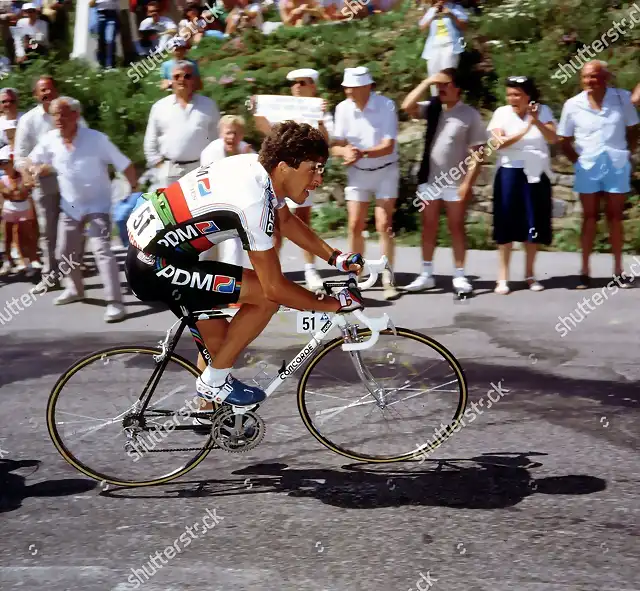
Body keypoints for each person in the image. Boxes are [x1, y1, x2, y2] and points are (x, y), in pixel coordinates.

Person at [124, 121, 365, 407]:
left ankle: (207, 411)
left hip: (164, 252)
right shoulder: (252, 203)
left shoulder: (256, 166)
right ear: (285, 167)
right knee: (263, 298)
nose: (318, 179)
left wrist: (335, 257)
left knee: (224, 345)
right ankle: (213, 384)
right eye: (313, 168)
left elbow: (285, 220)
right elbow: (274, 288)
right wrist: (332, 304)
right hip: (155, 265)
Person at [24, 97, 138, 322]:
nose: (58, 119)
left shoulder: (96, 139)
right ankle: (75, 290)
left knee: (101, 251)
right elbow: (30, 160)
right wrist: (32, 170)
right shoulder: (50, 139)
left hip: (98, 204)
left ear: (76, 115)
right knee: (63, 252)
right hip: (71, 205)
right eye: (55, 115)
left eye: (63, 114)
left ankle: (115, 303)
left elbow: (124, 164)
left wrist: (133, 190)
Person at [400, 69, 486, 295]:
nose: (441, 88)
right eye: (438, 85)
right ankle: (426, 274)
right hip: (429, 180)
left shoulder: (469, 115)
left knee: (456, 228)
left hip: (455, 182)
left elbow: (479, 153)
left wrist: (467, 183)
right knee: (428, 227)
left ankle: (459, 275)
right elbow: (407, 106)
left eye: (445, 84)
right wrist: (427, 80)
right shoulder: (432, 108)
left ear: (458, 88)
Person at [557, 60, 639, 289]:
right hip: (588, 166)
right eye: (585, 77)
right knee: (589, 217)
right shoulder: (573, 104)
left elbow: (634, 128)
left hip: (616, 164)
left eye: (593, 76)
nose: (588, 81)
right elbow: (563, 139)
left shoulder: (622, 98)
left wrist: (626, 153)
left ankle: (618, 270)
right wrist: (578, 161)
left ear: (605, 77)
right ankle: (584, 270)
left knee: (615, 217)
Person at [253, 68, 333, 291]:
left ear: (312, 86)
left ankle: (310, 270)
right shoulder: (283, 109)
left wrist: (321, 120)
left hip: (306, 174)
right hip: (283, 174)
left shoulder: (319, 110)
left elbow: (326, 143)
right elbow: (265, 129)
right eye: (294, 83)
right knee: (277, 224)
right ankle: (272, 273)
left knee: (302, 220)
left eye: (302, 82)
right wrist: (257, 109)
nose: (297, 86)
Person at [331, 66, 399, 300]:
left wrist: (362, 152)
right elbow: (336, 145)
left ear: (366, 87)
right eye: (346, 87)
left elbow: (389, 145)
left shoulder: (386, 105)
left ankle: (388, 277)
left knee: (384, 224)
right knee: (354, 224)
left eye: (352, 87)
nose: (348, 91)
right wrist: (345, 152)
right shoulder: (342, 108)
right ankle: (355, 277)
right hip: (358, 173)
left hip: (386, 171)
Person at [487, 76, 558, 294]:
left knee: (533, 221)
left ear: (529, 96)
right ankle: (503, 277)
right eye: (509, 94)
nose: (512, 98)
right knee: (505, 223)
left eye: (517, 94)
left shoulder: (543, 111)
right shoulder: (501, 113)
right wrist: (526, 129)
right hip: (509, 171)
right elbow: (498, 143)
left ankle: (530, 274)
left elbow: (553, 138)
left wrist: (536, 121)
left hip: (535, 171)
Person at [199, 114, 255, 268]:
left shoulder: (247, 150)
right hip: (209, 203)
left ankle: (231, 281)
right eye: (228, 132)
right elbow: (211, 183)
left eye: (235, 133)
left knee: (233, 245)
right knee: (208, 249)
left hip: (236, 207)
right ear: (220, 134)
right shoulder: (211, 152)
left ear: (242, 135)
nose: (231, 137)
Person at [0, 145, 38, 277]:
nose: (3, 166)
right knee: (7, 237)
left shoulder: (23, 175)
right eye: (1, 163)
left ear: (12, 162)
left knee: (24, 237)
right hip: (9, 208)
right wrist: (17, 190)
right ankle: (8, 262)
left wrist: (17, 190)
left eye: (5, 163)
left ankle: (29, 263)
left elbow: (23, 191)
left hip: (24, 208)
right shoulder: (3, 179)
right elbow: (9, 193)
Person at [418, 0, 468, 95]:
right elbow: (421, 26)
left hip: (450, 44)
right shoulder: (431, 9)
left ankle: (448, 101)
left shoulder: (455, 7)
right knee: (433, 76)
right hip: (433, 46)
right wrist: (433, 12)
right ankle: (435, 102)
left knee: (447, 76)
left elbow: (464, 26)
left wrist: (451, 14)